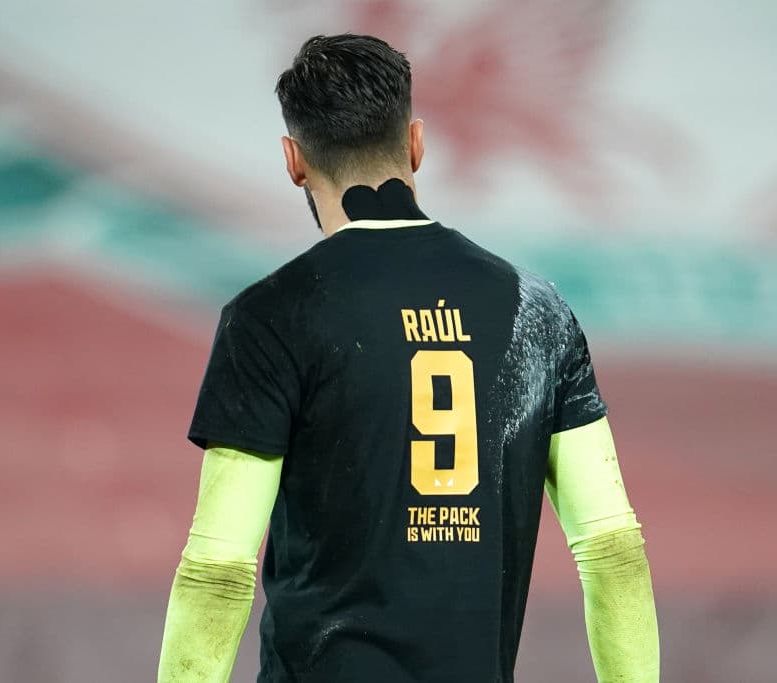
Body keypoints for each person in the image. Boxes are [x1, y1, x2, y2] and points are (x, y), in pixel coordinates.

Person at [158, 33, 659, 682]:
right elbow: (612, 548)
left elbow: (217, 569)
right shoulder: (537, 310)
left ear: (294, 160)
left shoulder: (272, 313)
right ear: (416, 145)